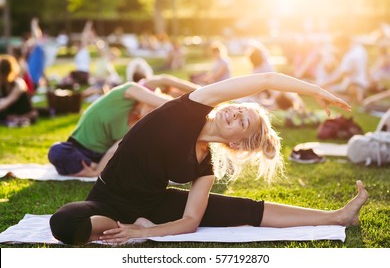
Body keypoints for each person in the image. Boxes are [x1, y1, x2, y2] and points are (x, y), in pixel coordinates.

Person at [49, 72, 368, 245]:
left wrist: (142, 232)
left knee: (242, 210)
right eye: (240, 108)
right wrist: (313, 90)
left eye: (243, 121)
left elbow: (189, 221)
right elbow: (266, 80)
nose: (236, 111)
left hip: (152, 205)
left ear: (238, 144)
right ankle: (122, 224)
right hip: (107, 200)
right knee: (65, 223)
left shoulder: (205, 166)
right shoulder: (190, 107)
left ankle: (337, 216)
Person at [48, 71, 200, 178]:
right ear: (152, 98)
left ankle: (88, 167)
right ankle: (84, 166)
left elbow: (115, 148)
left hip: (101, 156)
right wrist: (201, 96)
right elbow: (169, 101)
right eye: (153, 108)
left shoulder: (140, 124)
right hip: (76, 148)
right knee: (57, 151)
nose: (149, 114)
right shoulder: (129, 90)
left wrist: (97, 171)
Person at [322, 34, 369, 103]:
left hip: (353, 85)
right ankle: (356, 96)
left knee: (325, 90)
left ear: (341, 45)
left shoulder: (350, 56)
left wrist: (322, 84)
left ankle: (348, 99)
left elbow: (340, 78)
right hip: (363, 84)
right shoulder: (360, 49)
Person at [0, 55, 38, 127]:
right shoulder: (2, 86)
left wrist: (18, 118)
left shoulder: (18, 84)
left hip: (23, 112)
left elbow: (9, 100)